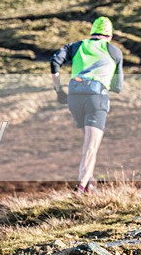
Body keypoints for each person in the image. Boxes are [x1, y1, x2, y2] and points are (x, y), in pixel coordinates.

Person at [51, 16, 123, 193]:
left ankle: (90, 184)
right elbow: (117, 86)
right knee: (91, 145)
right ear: (110, 35)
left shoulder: (76, 46)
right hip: (96, 97)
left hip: (74, 96)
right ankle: (81, 187)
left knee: (88, 142)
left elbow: (54, 62)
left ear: (92, 33)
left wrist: (59, 90)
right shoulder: (113, 51)